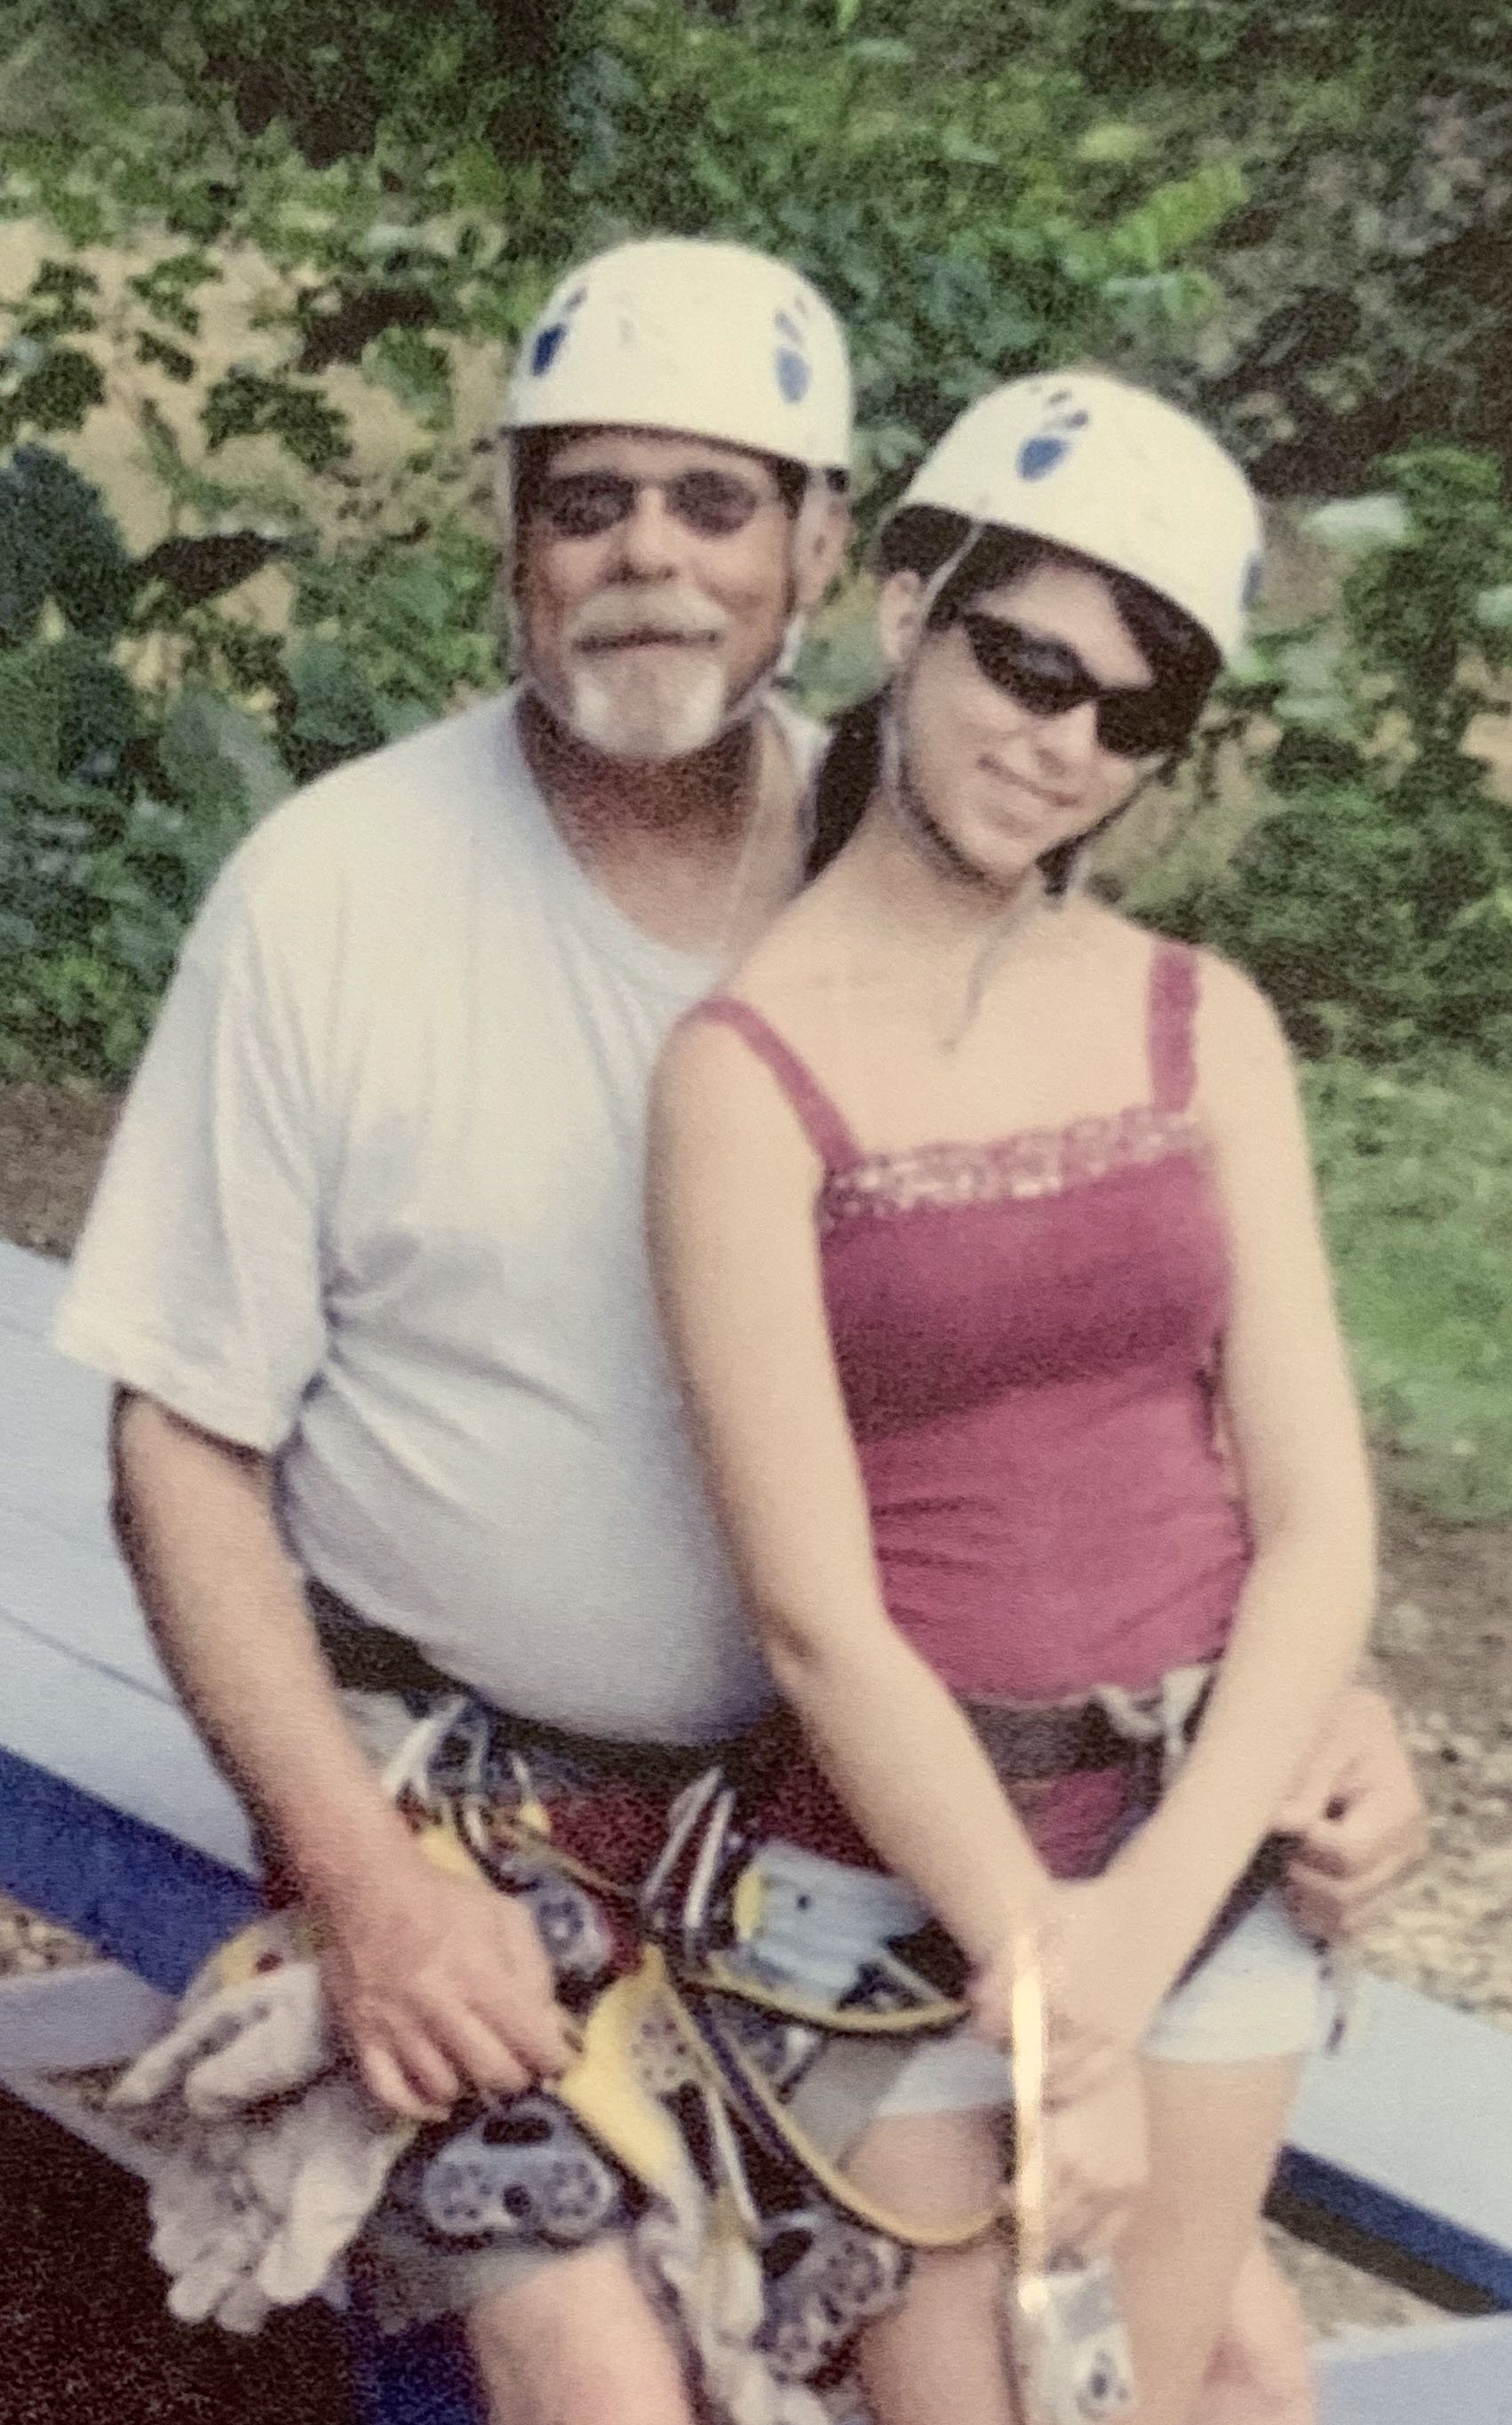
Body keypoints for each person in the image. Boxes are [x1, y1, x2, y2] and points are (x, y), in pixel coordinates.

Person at [51, 231, 1422, 2425]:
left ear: (821, 549)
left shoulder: (923, 859)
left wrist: (1296, 1683)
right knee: (609, 2378)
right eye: (586, 500)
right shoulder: (336, 897)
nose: (649, 564)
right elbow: (178, 1449)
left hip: (857, 1836)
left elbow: (1092, 1329)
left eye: (714, 502)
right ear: (508, 540)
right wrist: (364, 1888)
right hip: (483, 1831)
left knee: (1224, 2355)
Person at [647, 371, 1379, 2425]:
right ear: (905, 608)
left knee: (1168, 2393)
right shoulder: (739, 1071)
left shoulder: (1197, 1024)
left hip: (1194, 1868)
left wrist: (1132, 1952)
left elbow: (1317, 1519)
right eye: (1025, 662)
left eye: (1129, 712)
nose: (1060, 743)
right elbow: (812, 1611)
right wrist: (1056, 2000)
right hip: (896, 1907)